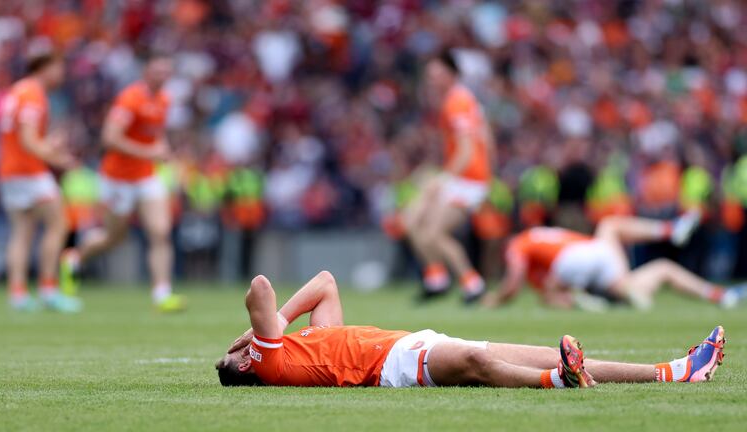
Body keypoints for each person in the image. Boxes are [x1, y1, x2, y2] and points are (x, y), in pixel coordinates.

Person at [216, 272, 725, 388]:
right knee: (480, 365)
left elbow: (326, 283)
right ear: (245, 363)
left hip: (414, 343)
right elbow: (260, 287)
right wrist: (260, 333)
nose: (232, 350)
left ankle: (678, 372)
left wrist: (281, 326)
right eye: (230, 356)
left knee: (548, 351)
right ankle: (558, 384)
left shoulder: (304, 344)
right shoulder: (269, 360)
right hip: (400, 366)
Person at [60, 55, 186, 312]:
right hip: (117, 178)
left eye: (166, 71)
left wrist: (163, 151)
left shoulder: (164, 99)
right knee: (113, 237)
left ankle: (162, 294)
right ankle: (73, 258)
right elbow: (110, 138)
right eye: (157, 71)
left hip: (146, 176)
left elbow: (155, 133)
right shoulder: (131, 99)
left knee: (160, 231)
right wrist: (149, 152)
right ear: (146, 72)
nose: (162, 76)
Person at [483, 212, 746, 310]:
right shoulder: (537, 240)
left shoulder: (517, 244)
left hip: (579, 260)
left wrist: (493, 300)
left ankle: (593, 301)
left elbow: (512, 283)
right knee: (661, 268)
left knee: (609, 226)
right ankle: (720, 295)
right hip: (594, 260)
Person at [404, 50, 495, 304]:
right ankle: (438, 278)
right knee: (413, 221)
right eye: (430, 75)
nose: (433, 80)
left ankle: (471, 283)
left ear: (452, 74)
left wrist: (442, 178)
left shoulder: (456, 103)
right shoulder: (463, 100)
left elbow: (466, 151)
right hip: (469, 177)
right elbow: (484, 137)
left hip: (467, 180)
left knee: (431, 231)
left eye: (438, 74)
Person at [0, 52, 82, 313]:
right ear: (45, 67)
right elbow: (28, 139)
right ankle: (48, 289)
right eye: (59, 67)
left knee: (22, 232)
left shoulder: (17, 91)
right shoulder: (33, 94)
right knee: (59, 223)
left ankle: (18, 293)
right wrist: (57, 157)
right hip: (29, 171)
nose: (62, 74)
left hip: (9, 170)